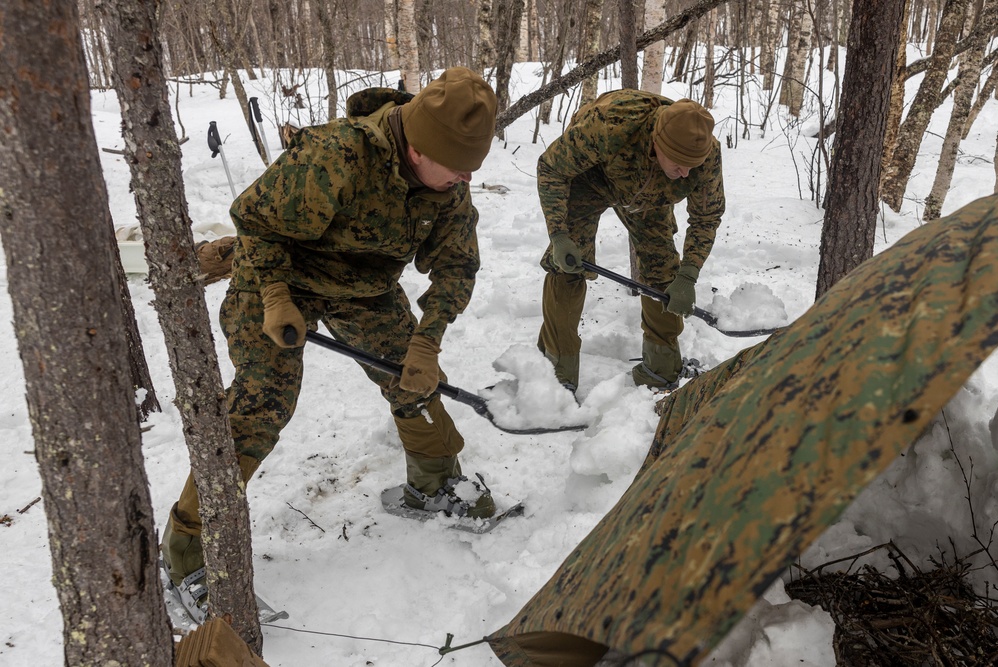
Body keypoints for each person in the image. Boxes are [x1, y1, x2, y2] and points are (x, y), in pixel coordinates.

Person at [161, 66, 499, 588]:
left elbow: (457, 265)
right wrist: (273, 296)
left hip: (366, 289)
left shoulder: (449, 186)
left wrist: (427, 342)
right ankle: (189, 551)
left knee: (414, 380)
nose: (467, 179)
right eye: (457, 167)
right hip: (277, 274)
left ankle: (432, 486)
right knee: (261, 404)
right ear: (417, 150)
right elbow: (256, 220)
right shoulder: (335, 156)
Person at [535, 91, 725, 393]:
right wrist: (559, 235)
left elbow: (707, 216)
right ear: (656, 144)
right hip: (590, 177)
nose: (686, 173)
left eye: (693, 166)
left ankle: (661, 371)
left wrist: (688, 274)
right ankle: (555, 379)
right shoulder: (610, 126)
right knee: (568, 268)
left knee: (662, 267)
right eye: (679, 164)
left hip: (650, 198)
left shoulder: (705, 155)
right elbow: (552, 168)